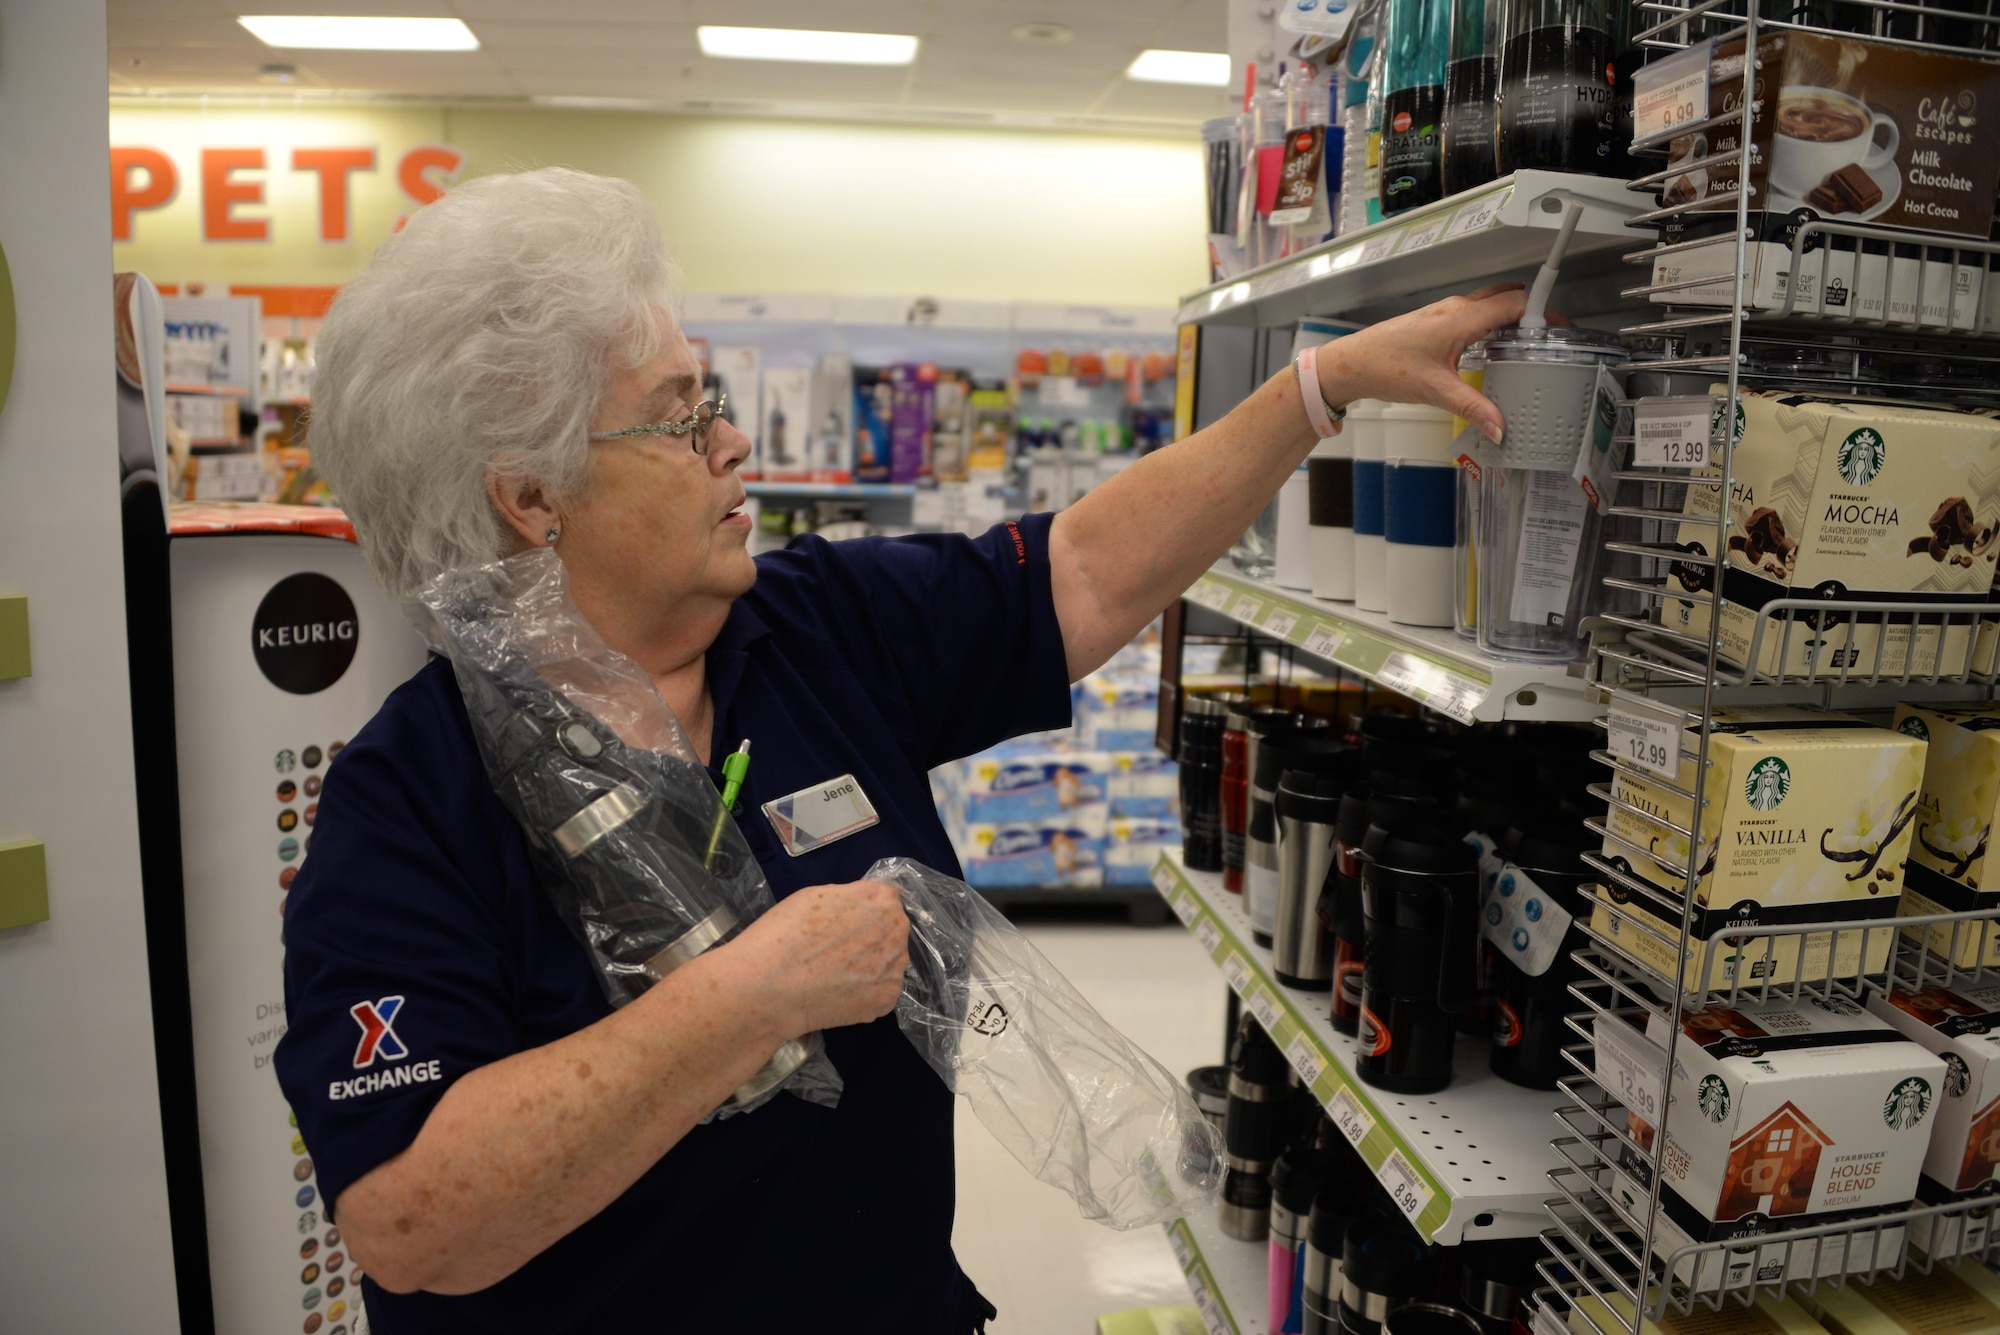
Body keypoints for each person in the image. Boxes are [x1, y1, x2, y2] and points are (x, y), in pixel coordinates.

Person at [273, 166, 1526, 1334]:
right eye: (676, 415)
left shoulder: (816, 623)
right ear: (532, 497)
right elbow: (411, 1220)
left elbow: (1081, 569)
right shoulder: (411, 795)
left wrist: (1320, 389)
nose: (729, 441)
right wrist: (747, 995)